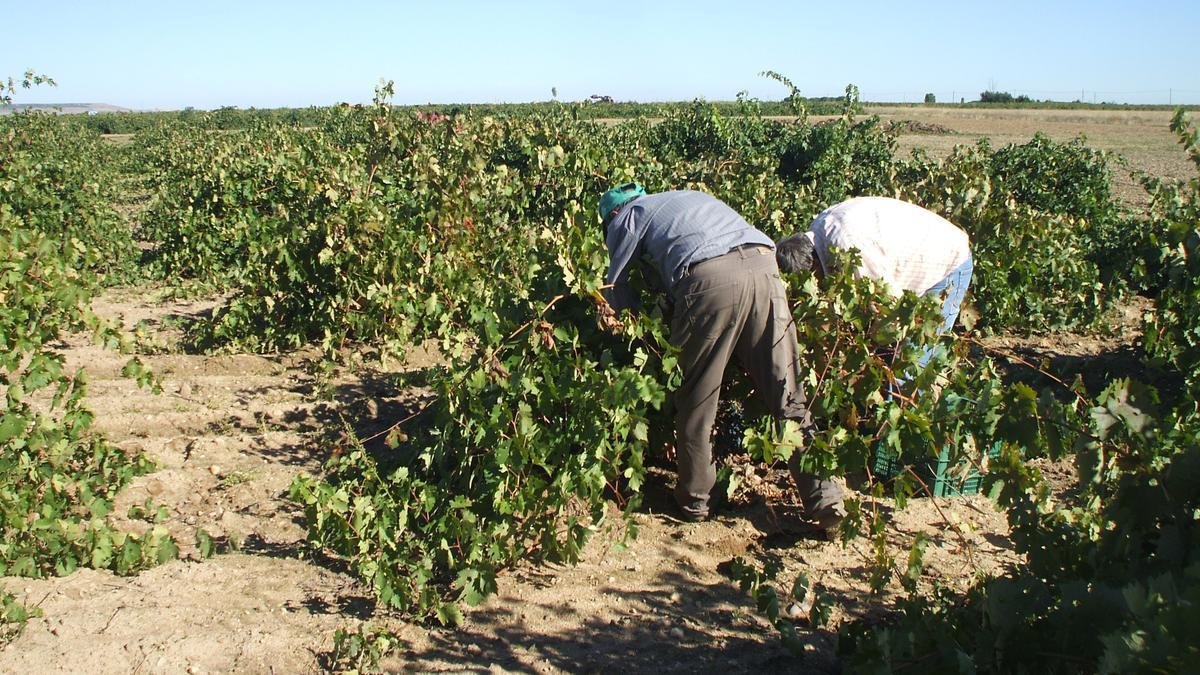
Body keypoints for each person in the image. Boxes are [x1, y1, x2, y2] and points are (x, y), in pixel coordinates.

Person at [598, 182, 845, 531]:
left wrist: (636, 333)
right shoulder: (683, 200)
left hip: (711, 280)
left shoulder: (627, 216)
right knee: (788, 395)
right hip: (764, 266)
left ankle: (697, 501)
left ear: (613, 215)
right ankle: (825, 497)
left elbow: (616, 290)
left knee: (696, 400)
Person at [776, 196, 973, 365]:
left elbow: (892, 310)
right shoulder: (818, 231)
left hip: (947, 264)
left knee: (912, 364)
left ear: (813, 267)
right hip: (920, 258)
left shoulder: (849, 251)